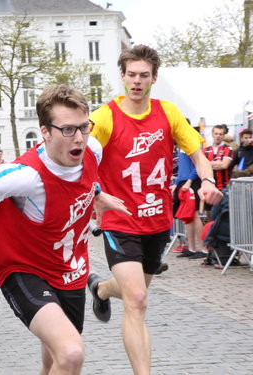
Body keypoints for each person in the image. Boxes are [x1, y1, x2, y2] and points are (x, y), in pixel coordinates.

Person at [0, 85, 130, 375]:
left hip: (70, 270)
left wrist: (96, 193)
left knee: (54, 360)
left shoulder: (93, 149)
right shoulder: (25, 176)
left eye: (82, 127)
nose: (78, 137)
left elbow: (84, 180)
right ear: (45, 132)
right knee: (71, 352)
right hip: (24, 268)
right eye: (66, 130)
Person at [88, 45, 222, 375]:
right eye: (131, 75)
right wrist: (95, 194)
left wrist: (206, 179)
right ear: (122, 76)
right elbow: (79, 157)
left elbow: (197, 152)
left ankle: (102, 288)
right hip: (119, 219)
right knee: (136, 300)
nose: (136, 81)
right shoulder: (106, 116)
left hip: (158, 221)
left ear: (153, 78)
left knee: (136, 290)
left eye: (143, 76)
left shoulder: (168, 112)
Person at [172, 125, 206, 260]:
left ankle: (203, 248)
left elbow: (198, 165)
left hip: (191, 182)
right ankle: (191, 248)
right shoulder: (181, 145)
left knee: (195, 215)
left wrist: (190, 181)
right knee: (188, 217)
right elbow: (183, 168)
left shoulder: (192, 143)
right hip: (183, 182)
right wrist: (176, 184)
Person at [204, 125, 233, 190]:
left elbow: (224, 165)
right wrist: (218, 163)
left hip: (223, 187)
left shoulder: (228, 149)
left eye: (220, 134)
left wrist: (208, 164)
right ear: (212, 135)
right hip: (209, 187)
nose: (218, 136)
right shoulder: (205, 150)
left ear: (223, 136)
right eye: (216, 134)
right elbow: (202, 166)